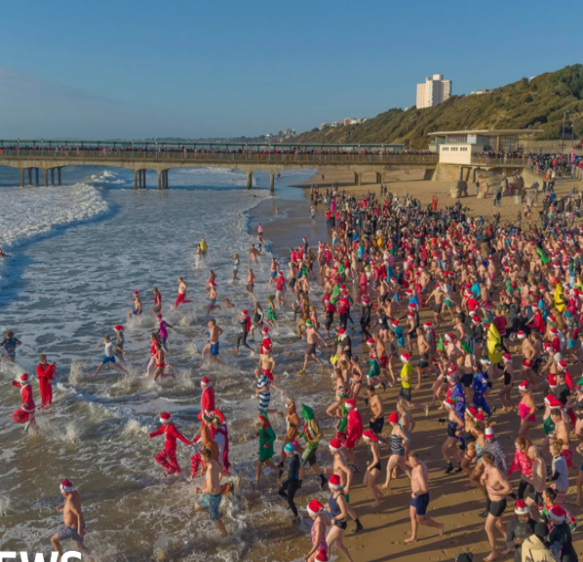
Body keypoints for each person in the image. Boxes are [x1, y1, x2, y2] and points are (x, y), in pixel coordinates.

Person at [404, 451, 444, 543]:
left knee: (420, 520)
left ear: (416, 461)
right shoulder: (421, 462)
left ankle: (439, 525)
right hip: (416, 496)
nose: (409, 463)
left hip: (421, 497)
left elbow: (424, 488)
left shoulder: (418, 472)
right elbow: (426, 469)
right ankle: (414, 537)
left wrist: (415, 494)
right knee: (412, 515)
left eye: (411, 462)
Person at [481, 451, 513, 562]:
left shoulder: (496, 472)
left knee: (488, 528)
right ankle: (511, 544)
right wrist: (482, 478)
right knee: (499, 524)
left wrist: (496, 493)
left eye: (482, 460)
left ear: (485, 461)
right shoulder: (486, 469)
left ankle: (493, 552)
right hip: (493, 502)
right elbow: (483, 483)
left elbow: (509, 489)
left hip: (498, 503)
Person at [194, 448, 229, 537]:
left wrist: (200, 491)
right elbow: (222, 472)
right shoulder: (214, 462)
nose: (201, 459)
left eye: (201, 457)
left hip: (213, 498)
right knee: (197, 506)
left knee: (215, 519)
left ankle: (226, 535)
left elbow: (209, 488)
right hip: (212, 495)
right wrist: (217, 481)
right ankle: (217, 513)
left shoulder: (209, 472)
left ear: (206, 458)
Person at [51, 479, 88, 558]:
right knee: (79, 546)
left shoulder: (70, 501)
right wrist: (64, 506)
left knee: (53, 540)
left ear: (65, 491)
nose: (61, 492)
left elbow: (79, 514)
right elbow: (74, 505)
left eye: (61, 490)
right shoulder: (75, 493)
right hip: (80, 524)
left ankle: (61, 559)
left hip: (73, 529)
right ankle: (93, 558)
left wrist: (79, 530)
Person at [326, 475, 354, 562]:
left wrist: (334, 518)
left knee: (327, 544)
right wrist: (321, 506)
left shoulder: (340, 498)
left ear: (334, 487)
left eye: (330, 486)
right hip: (338, 523)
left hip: (339, 524)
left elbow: (344, 513)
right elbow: (330, 504)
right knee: (339, 545)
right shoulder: (334, 493)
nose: (328, 487)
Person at [278, 441, 301, 523]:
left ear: (289, 452)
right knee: (280, 491)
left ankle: (297, 517)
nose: (284, 453)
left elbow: (291, 476)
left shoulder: (293, 462)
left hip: (293, 483)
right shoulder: (296, 457)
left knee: (290, 501)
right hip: (293, 481)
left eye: (285, 451)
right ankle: (288, 501)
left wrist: (284, 483)